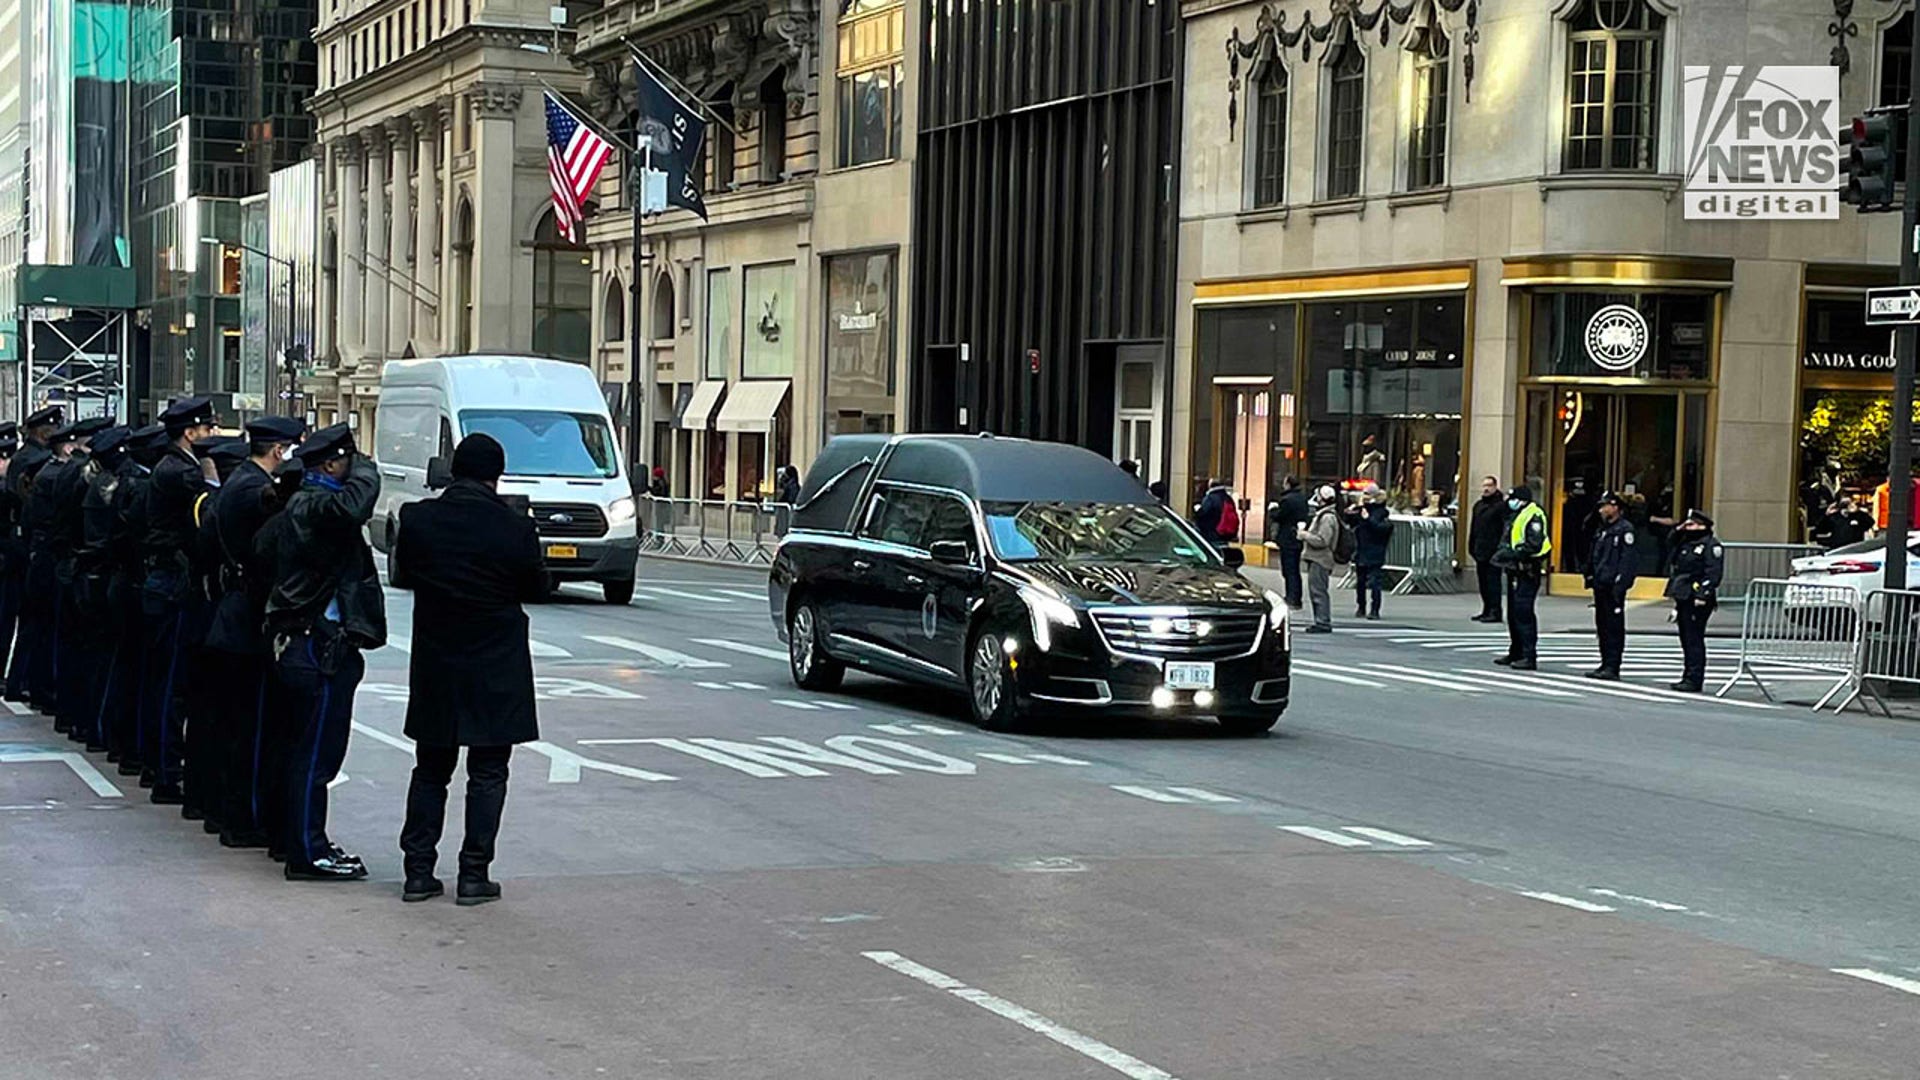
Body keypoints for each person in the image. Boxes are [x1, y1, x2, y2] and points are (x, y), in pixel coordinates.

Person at [392, 434, 549, 905]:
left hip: (438, 658)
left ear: (454, 470)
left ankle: (418, 872)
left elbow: (408, 573)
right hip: (496, 662)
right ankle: (473, 873)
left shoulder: (418, 519)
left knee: (430, 769)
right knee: (489, 771)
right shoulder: (513, 527)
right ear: (496, 474)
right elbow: (536, 585)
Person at [263, 423, 385, 881]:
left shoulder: (302, 502)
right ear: (332, 463)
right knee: (316, 755)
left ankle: (298, 839)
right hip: (316, 643)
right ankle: (307, 851)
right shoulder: (315, 505)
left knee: (302, 751)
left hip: (305, 640)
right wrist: (367, 467)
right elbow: (355, 506)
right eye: (348, 461)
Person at [203, 417, 305, 850]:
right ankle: (243, 819)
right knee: (251, 728)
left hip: (234, 614)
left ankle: (235, 815)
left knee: (239, 725)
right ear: (279, 451)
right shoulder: (249, 487)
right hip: (245, 621)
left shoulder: (241, 480)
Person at [139, 397, 216, 806]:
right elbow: (205, 517)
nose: (211, 436)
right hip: (171, 580)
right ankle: (167, 772)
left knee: (164, 679)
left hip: (164, 576)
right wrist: (212, 480)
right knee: (172, 683)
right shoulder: (182, 472)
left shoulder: (171, 466)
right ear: (190, 432)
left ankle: (160, 764)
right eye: (206, 429)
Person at [41, 417, 111, 737]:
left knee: (71, 645)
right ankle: (85, 721)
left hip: (68, 562)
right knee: (89, 650)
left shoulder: (69, 469)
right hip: (83, 566)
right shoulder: (88, 476)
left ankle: (68, 715)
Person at [108, 425, 168, 777]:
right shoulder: (142, 489)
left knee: (133, 672)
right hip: (139, 583)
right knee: (146, 676)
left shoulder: (131, 485)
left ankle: (128, 747)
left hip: (131, 582)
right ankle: (141, 754)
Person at [9, 406, 63, 710]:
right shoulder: (32, 461)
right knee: (34, 622)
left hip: (28, 546)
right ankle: (22, 682)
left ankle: (21, 681)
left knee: (30, 622)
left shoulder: (27, 459)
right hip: (30, 548)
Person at [1665, 509, 1725, 693]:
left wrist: (1703, 595)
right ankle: (1688, 675)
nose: (1688, 528)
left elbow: (1713, 572)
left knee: (1694, 638)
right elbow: (1669, 543)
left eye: (1691, 525)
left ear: (1702, 526)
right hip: (1683, 595)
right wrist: (1678, 529)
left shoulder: (1710, 545)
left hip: (1697, 597)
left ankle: (1694, 678)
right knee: (1686, 638)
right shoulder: (1687, 542)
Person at [1491, 485, 1551, 670]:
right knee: (1513, 613)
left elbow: (1534, 545)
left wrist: (1512, 554)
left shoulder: (1534, 514)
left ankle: (1528, 655)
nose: (1510, 502)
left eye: (1513, 498)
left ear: (1522, 499)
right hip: (1515, 570)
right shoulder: (1517, 514)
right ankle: (1516, 651)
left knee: (1523, 613)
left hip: (1527, 570)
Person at [1585, 491, 1638, 681]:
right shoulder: (1603, 529)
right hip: (1601, 583)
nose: (1601, 510)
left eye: (1605, 506)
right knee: (1602, 626)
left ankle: (1613, 665)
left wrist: (1621, 584)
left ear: (1615, 507)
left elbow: (1627, 560)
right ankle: (1605, 662)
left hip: (1613, 586)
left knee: (1613, 627)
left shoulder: (1625, 529)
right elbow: (1595, 554)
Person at [1298, 485, 1341, 634]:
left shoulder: (1327, 517)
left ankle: (1322, 622)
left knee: (1318, 591)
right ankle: (1320, 620)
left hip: (1321, 559)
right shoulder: (1324, 515)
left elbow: (1323, 540)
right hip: (1317, 558)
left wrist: (1304, 535)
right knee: (1316, 590)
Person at [1347, 485, 1394, 621]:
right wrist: (1352, 511)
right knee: (1360, 582)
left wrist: (1367, 518)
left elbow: (1381, 529)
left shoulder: (1381, 513)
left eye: (1367, 494)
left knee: (1374, 582)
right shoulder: (1363, 509)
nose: (1365, 497)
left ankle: (1374, 609)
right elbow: (1352, 522)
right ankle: (1361, 606)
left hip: (1375, 551)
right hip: (1362, 549)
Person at [1467, 475, 1507, 623]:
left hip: (1493, 550)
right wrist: (1471, 546)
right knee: (1483, 583)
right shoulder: (1479, 505)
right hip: (1480, 550)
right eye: (1484, 485)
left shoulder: (1501, 506)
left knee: (1493, 583)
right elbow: (1474, 527)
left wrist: (1500, 550)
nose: (1486, 488)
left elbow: (1504, 529)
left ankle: (1495, 611)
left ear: (1495, 487)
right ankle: (1486, 609)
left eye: (1489, 485)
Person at [1268, 476, 1309, 609]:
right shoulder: (1302, 498)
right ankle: (1296, 597)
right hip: (1296, 536)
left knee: (1289, 570)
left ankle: (1292, 598)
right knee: (1295, 570)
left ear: (1288, 484)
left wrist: (1272, 510)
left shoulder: (1287, 500)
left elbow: (1280, 516)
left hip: (1287, 538)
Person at [1194, 478, 1238, 547]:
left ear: (1210, 486)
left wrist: (1198, 510)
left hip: (1212, 533)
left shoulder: (1210, 498)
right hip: (1225, 533)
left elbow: (1203, 515)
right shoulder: (1228, 498)